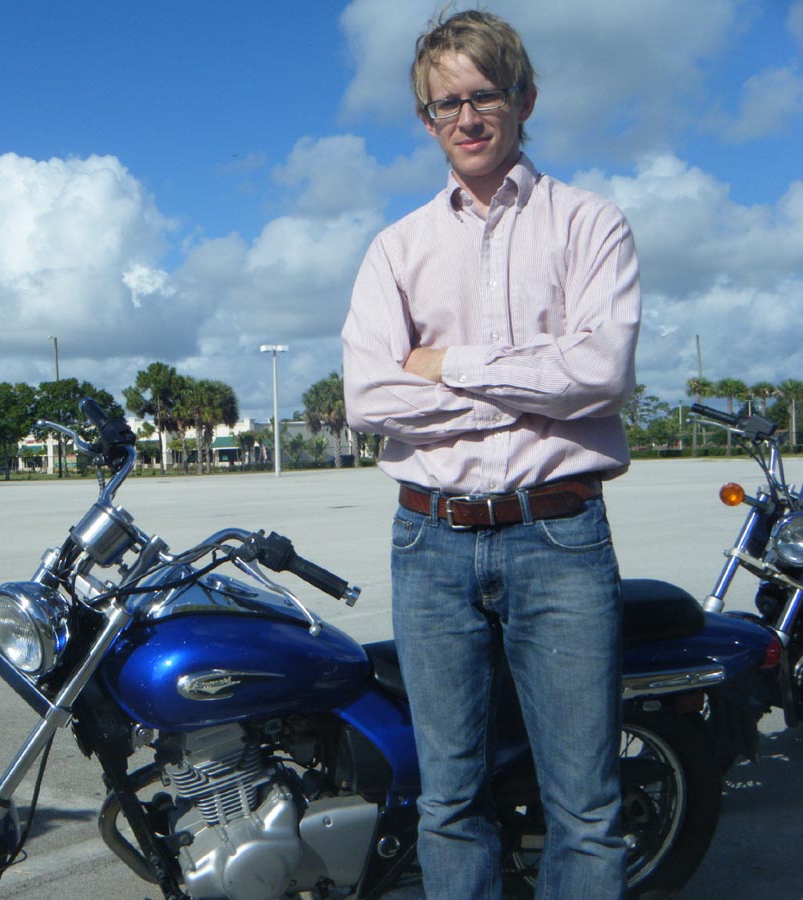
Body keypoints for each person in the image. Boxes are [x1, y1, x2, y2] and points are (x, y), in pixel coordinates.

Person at [341, 10, 640, 900]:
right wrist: (535, 381)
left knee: (586, 808)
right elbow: (369, 399)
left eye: (485, 96)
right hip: (429, 543)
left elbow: (600, 374)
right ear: (425, 118)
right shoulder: (396, 249)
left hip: (560, 537)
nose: (466, 119)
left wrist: (447, 365)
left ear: (525, 99)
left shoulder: (589, 224)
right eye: (446, 104)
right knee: (448, 802)